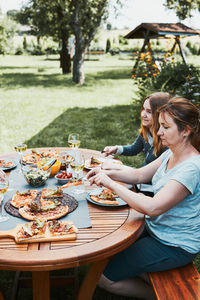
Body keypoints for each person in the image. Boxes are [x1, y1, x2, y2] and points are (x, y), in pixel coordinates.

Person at [86, 97, 200, 300]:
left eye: (165, 127)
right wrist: (105, 172)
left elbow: (153, 207)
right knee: (108, 249)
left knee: (101, 277)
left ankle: (165, 297)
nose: (158, 132)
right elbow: (139, 175)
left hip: (173, 244)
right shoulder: (172, 153)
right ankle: (153, 277)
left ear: (186, 131)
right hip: (156, 229)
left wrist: (110, 184)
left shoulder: (191, 168)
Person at [103, 92, 171, 166]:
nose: (143, 114)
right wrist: (116, 149)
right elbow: (134, 148)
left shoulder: (166, 141)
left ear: (160, 115)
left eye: (149, 112)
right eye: (143, 109)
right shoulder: (146, 131)